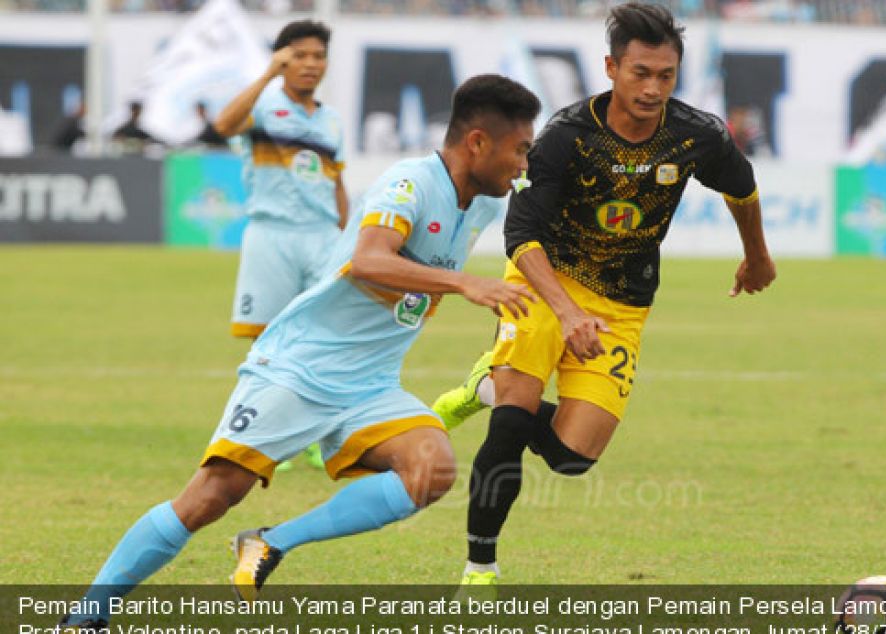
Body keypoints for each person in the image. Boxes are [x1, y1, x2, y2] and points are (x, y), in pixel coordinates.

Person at [58, 74, 540, 627]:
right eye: (519, 150)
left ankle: (270, 543)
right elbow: (368, 260)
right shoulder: (409, 184)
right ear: (477, 142)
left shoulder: (478, 204)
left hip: (370, 382)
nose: (523, 164)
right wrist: (464, 284)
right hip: (300, 368)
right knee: (210, 497)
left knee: (431, 470)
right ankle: (84, 617)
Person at [443, 2, 776, 586]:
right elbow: (520, 234)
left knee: (573, 458)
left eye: (665, 76)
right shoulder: (565, 137)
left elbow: (743, 187)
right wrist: (566, 311)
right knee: (515, 422)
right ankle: (481, 567)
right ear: (611, 68)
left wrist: (756, 255)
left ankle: (485, 385)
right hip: (545, 286)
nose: (652, 88)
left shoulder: (694, 135)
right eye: (640, 73)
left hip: (623, 302)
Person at [215, 20, 347, 472]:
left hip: (323, 235)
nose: (311, 64)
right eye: (300, 55)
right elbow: (223, 124)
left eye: (318, 56)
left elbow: (337, 181)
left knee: (323, 335)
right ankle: (255, 431)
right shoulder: (263, 106)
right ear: (283, 58)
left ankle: (315, 434)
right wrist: (267, 74)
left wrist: (349, 236)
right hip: (271, 233)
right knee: (267, 340)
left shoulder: (331, 120)